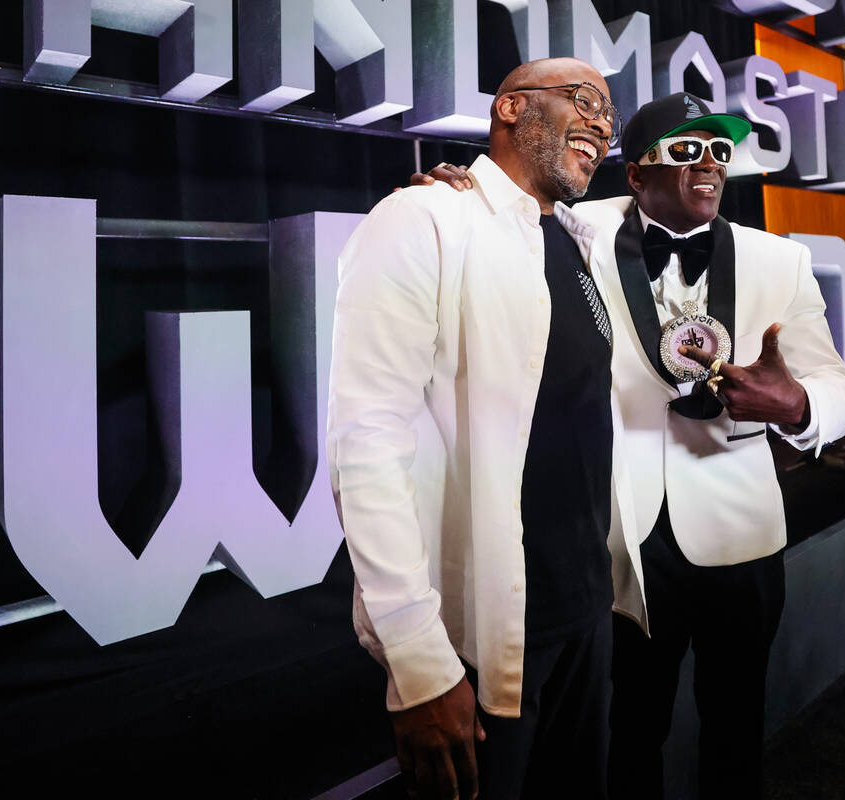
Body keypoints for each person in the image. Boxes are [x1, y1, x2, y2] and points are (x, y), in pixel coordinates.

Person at [415, 92, 845, 799]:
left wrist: (798, 404)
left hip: (741, 536)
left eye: (720, 150)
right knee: (629, 731)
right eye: (687, 150)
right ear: (636, 174)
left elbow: (840, 388)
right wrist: (450, 191)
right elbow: (502, 202)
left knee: (735, 729)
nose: (710, 163)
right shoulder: (577, 225)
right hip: (621, 541)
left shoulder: (782, 260)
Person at [326, 57, 648, 800]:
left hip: (587, 609)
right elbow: (366, 445)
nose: (602, 123)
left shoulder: (579, 234)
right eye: (584, 100)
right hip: (485, 633)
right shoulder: (423, 219)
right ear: (510, 108)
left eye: (610, 116)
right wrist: (417, 661)